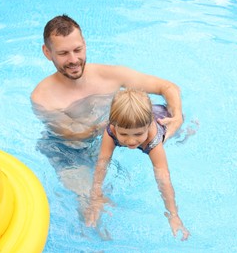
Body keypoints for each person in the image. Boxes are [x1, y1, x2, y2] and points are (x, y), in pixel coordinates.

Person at [30, 15, 184, 203]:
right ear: (47, 52)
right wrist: (113, 125)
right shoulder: (43, 97)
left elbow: (168, 87)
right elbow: (75, 134)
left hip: (116, 130)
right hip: (70, 150)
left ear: (84, 43)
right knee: (90, 201)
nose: (74, 59)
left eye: (78, 50)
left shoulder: (110, 75)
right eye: (63, 53)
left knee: (176, 124)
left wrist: (176, 117)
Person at [84, 89, 190, 241]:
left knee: (179, 136)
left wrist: (173, 214)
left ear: (148, 126)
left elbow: (163, 177)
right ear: (114, 125)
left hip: (163, 116)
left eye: (138, 134)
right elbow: (102, 162)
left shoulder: (153, 140)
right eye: (124, 134)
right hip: (136, 115)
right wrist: (96, 196)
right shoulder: (112, 130)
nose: (131, 141)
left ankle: (189, 129)